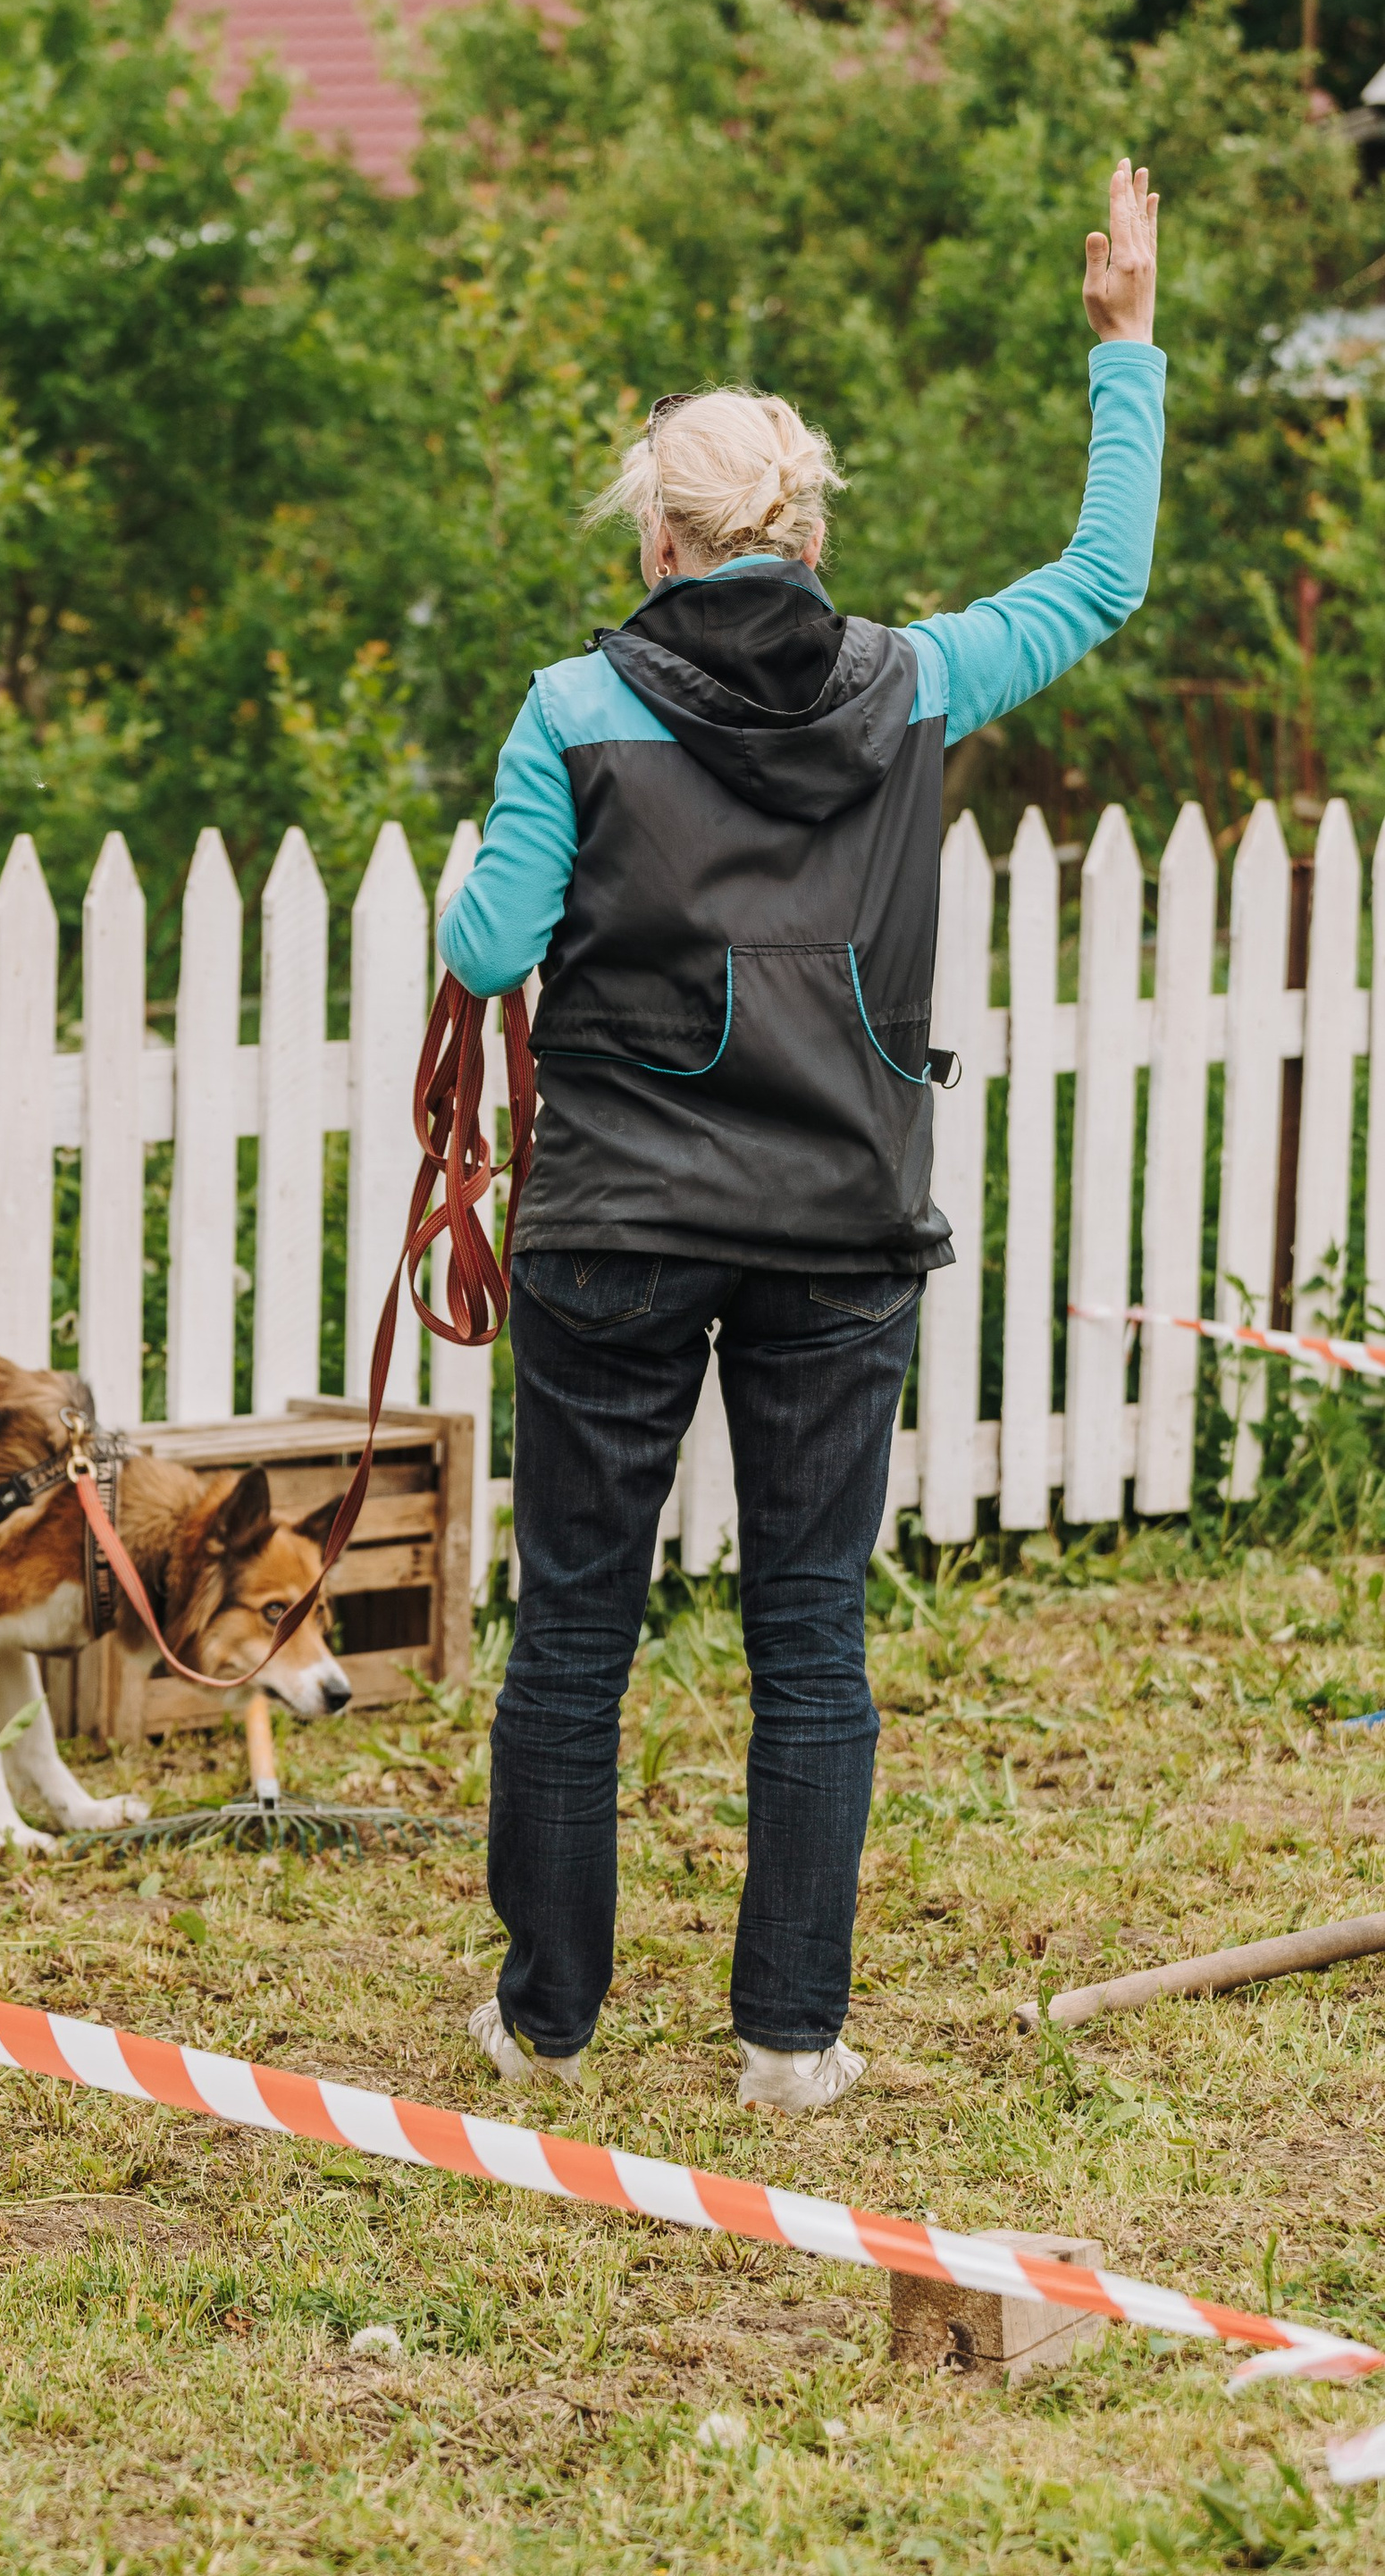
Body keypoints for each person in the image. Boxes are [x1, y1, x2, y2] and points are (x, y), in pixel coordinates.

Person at [438, 161, 1164, 2114]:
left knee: (575, 1622)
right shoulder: (914, 683)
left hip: (612, 1225)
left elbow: (489, 943)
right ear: (803, 525)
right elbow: (1099, 582)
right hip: (840, 1221)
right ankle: (786, 2038)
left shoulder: (571, 704)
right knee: (809, 1633)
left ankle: (547, 2015)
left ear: (657, 530)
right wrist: (1120, 350)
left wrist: (502, 844)